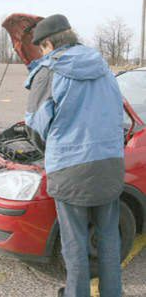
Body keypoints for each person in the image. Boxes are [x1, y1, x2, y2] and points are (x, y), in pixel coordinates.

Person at [25, 15, 124, 297]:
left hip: (70, 170)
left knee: (75, 242)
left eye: (41, 48)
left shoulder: (48, 71)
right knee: (108, 238)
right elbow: (118, 115)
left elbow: (36, 128)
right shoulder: (103, 68)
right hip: (110, 165)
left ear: (48, 43)